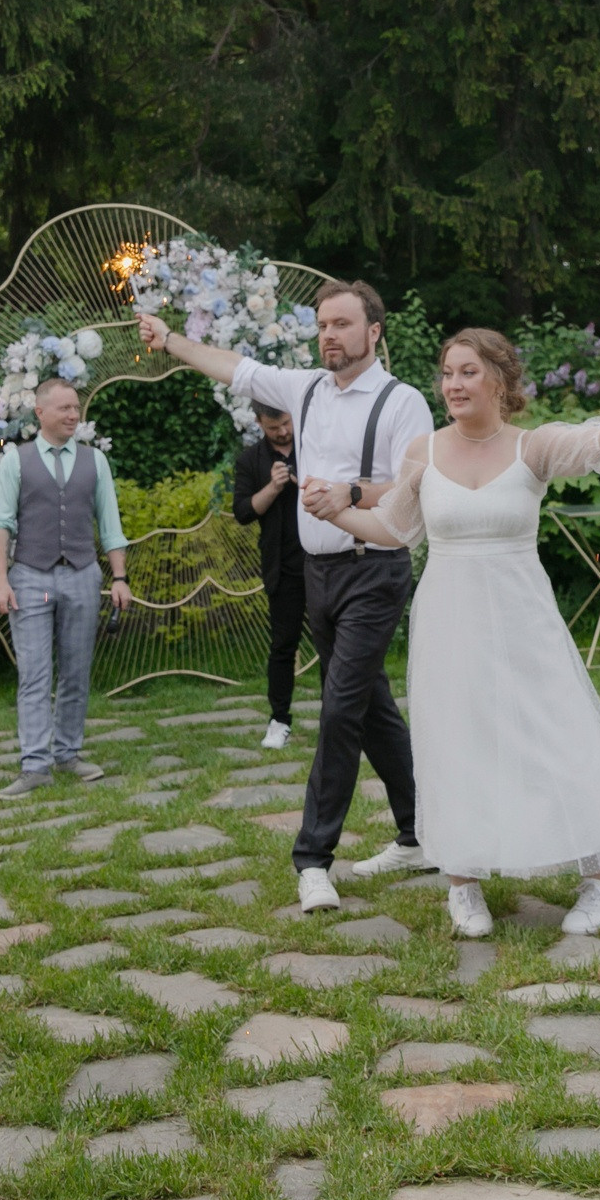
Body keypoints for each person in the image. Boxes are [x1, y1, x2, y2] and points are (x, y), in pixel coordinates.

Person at [302, 328, 600, 936]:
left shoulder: (532, 448)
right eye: (446, 373)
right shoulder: (423, 453)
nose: (453, 385)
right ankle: (463, 885)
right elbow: (396, 529)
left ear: (499, 379)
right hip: (448, 620)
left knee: (552, 735)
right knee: (454, 742)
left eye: (467, 372)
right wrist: (339, 513)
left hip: (523, 617)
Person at [137, 280, 435, 913]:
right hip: (318, 574)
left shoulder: (401, 401)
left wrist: (351, 495)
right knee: (371, 707)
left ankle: (313, 860)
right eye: (323, 324)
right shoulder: (304, 388)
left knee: (339, 708)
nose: (329, 335)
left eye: (343, 325)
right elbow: (235, 368)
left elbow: (415, 485)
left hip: (374, 568)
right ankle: (421, 833)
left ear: (374, 332)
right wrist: (169, 341)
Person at [0, 377, 133, 799]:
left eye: (76, 408)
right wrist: (0, 581)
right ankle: (35, 765)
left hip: (83, 573)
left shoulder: (94, 461)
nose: (73, 415)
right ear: (41, 413)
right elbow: (0, 525)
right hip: (30, 575)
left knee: (76, 670)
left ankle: (68, 753)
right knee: (34, 674)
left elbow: (111, 525)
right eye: (64, 408)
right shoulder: (16, 460)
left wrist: (119, 577)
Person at [232, 400, 307, 749]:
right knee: (282, 645)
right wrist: (273, 487)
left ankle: (342, 715)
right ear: (260, 423)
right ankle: (279, 720)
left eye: (287, 424)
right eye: (274, 427)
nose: (283, 432)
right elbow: (244, 512)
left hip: (324, 561)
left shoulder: (314, 446)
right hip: (283, 566)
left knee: (335, 644)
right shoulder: (251, 460)